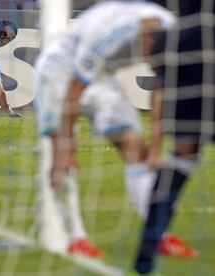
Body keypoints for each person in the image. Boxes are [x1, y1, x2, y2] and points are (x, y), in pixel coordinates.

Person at [35, 0, 195, 258]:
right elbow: (73, 91)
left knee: (136, 148)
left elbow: (161, 88)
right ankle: (76, 237)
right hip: (61, 71)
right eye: (150, 55)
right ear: (145, 36)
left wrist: (156, 147)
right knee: (61, 157)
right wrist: (68, 146)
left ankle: (157, 236)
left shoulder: (171, 32)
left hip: (104, 76)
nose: (150, 61)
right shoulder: (108, 34)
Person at [134, 0, 215, 274]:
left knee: (179, 163)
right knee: (180, 161)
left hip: (189, 54)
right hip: (194, 53)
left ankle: (145, 254)